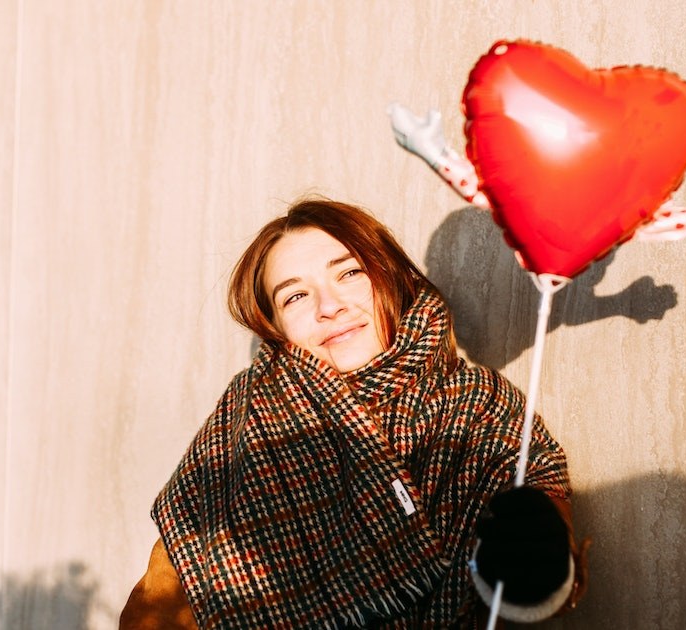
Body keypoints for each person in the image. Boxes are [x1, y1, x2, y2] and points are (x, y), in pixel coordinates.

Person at [120, 198, 587, 629]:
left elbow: (543, 540)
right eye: (295, 297)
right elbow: (162, 603)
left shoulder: (476, 405)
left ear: (389, 276)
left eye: (348, 274)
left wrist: (536, 558)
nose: (329, 306)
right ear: (277, 328)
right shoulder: (246, 426)